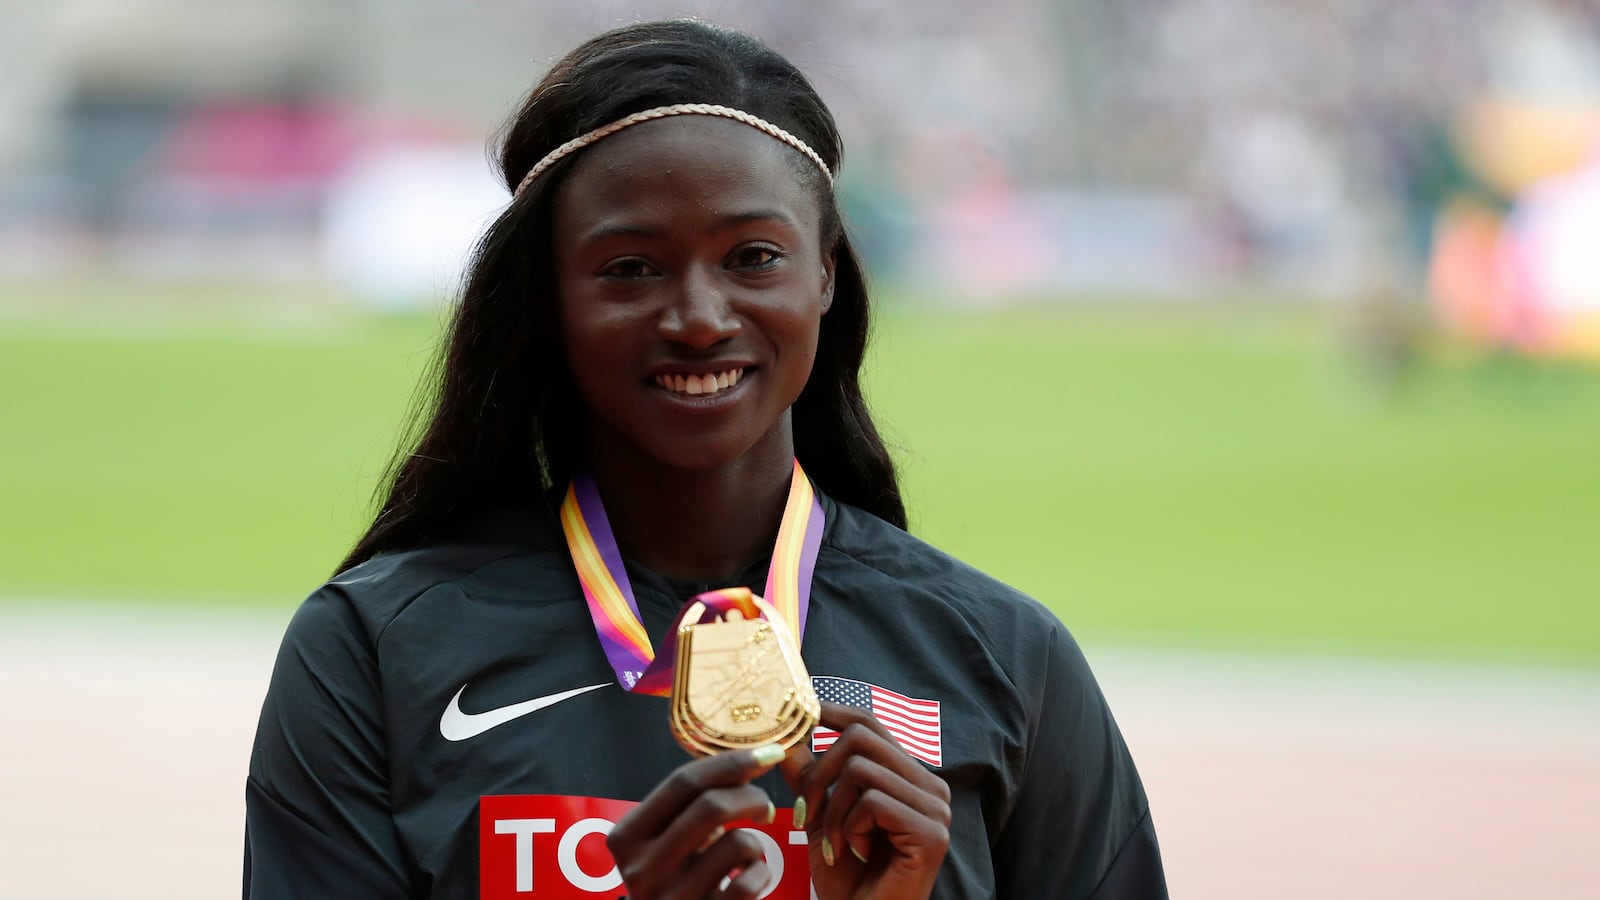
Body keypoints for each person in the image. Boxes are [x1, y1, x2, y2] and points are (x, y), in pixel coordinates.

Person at [245, 19, 1166, 900]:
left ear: (827, 273)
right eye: (630, 269)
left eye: (754, 256)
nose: (697, 318)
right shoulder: (374, 651)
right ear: (546, 294)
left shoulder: (1002, 659)